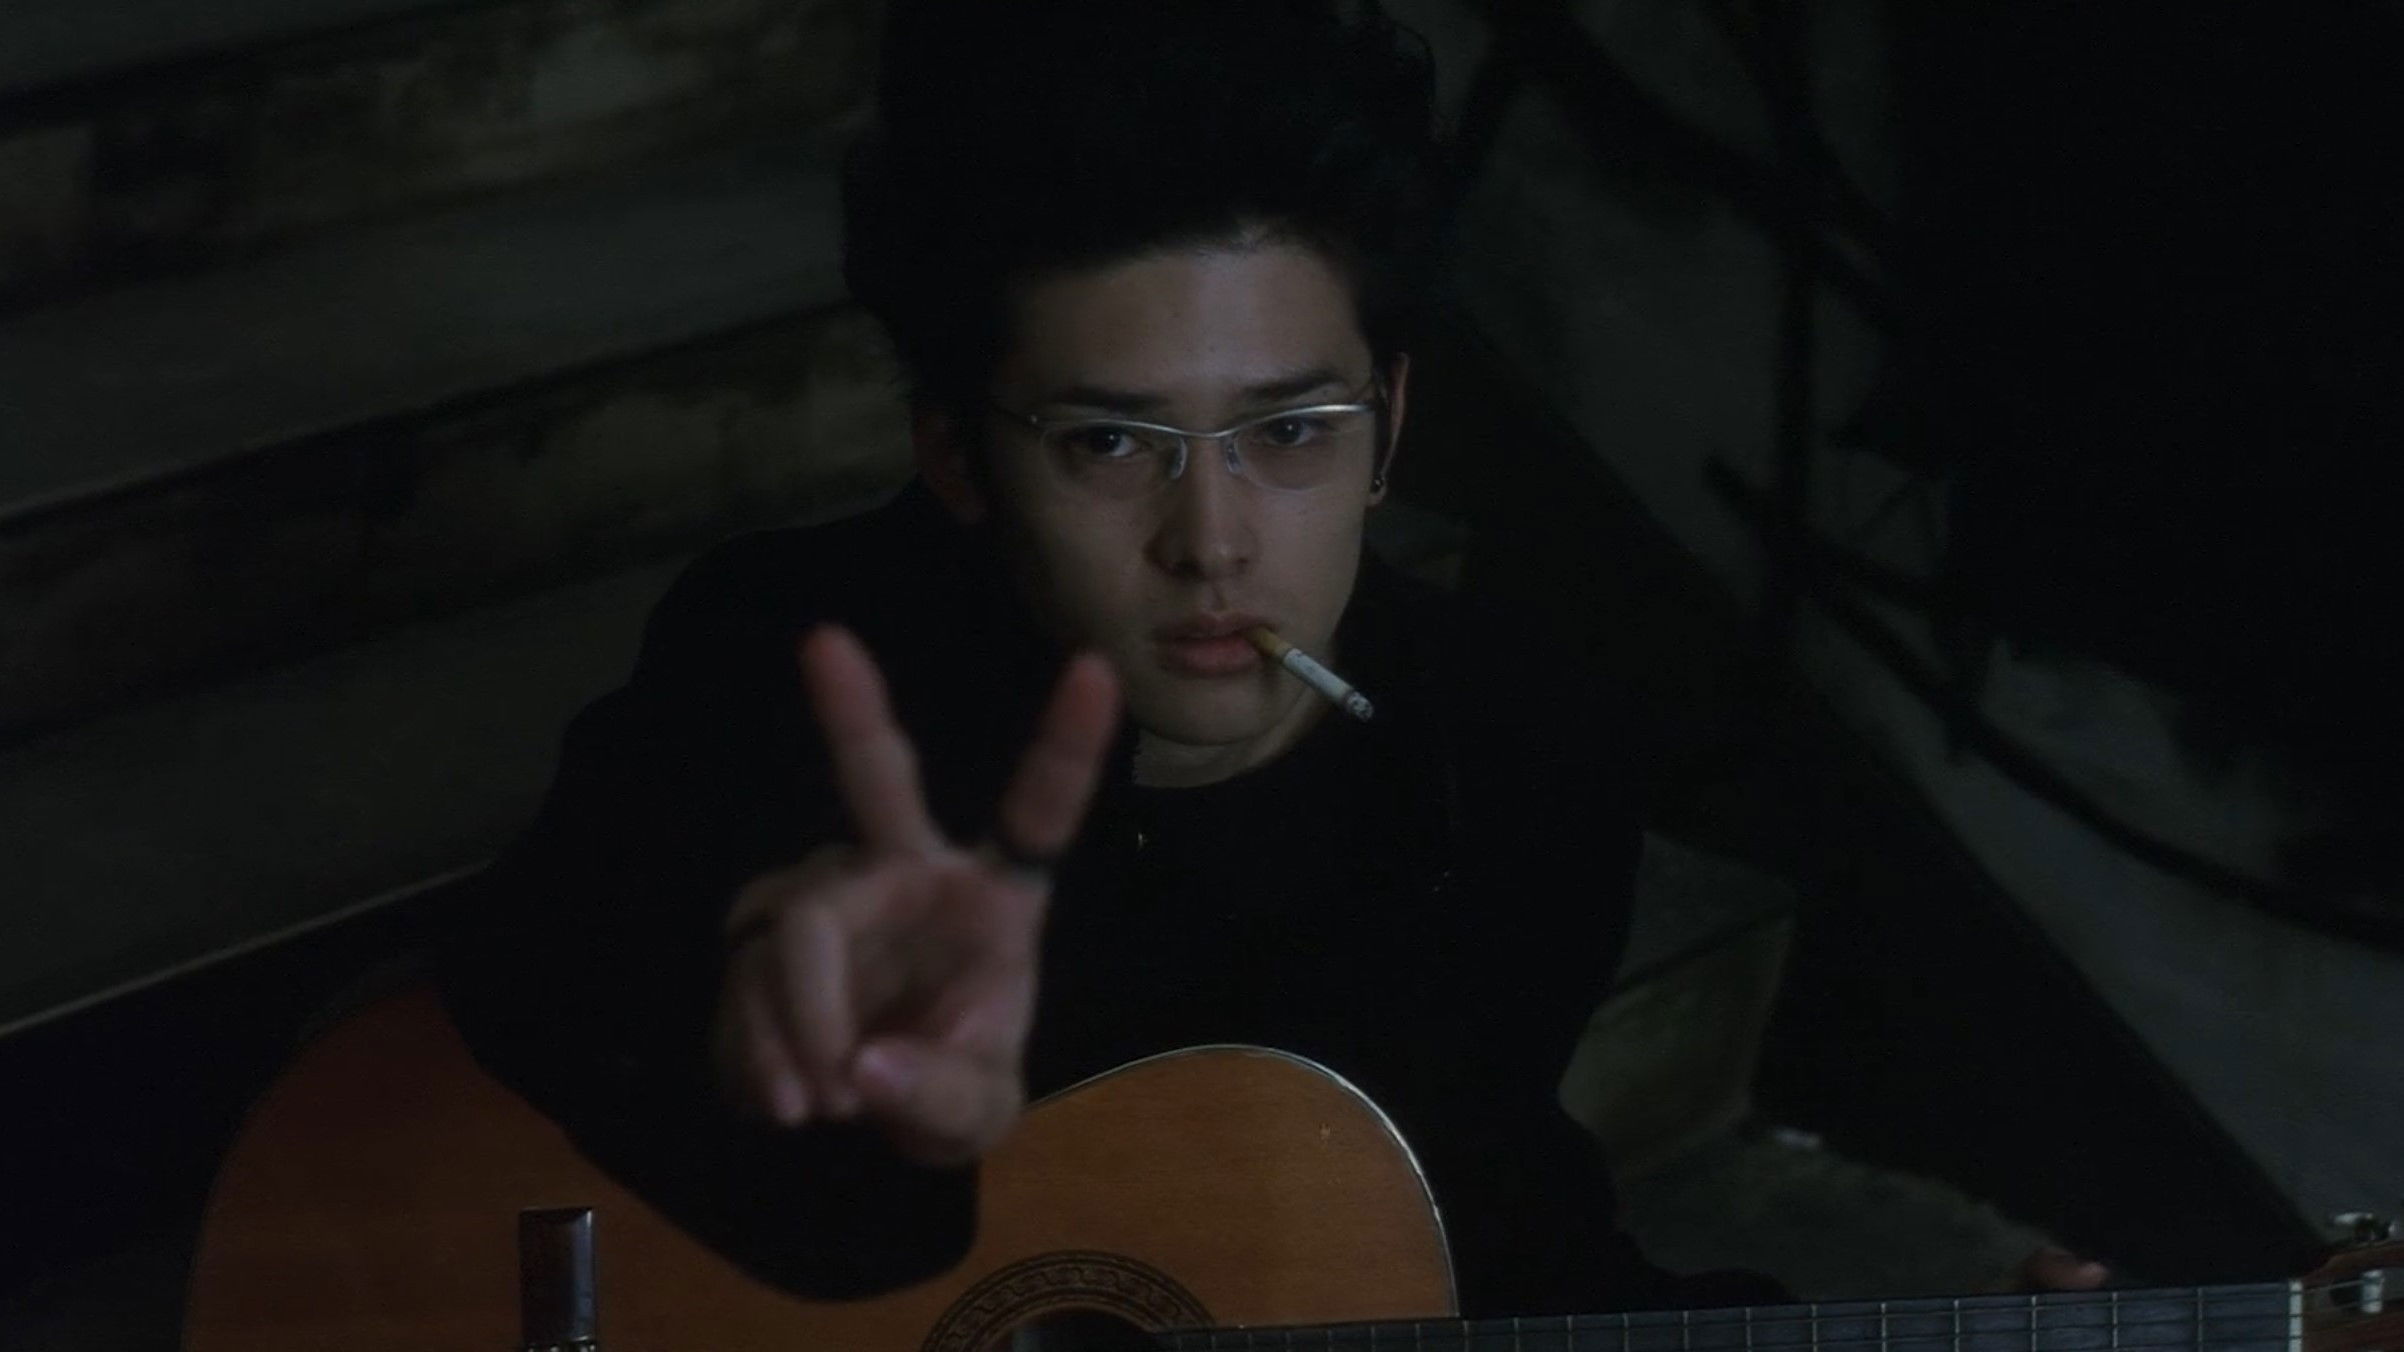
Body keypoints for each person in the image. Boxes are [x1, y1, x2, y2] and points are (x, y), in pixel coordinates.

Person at [441, 0, 2100, 1318]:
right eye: (1110, 443)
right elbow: (518, 996)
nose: (1214, 543)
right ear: (959, 455)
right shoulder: (797, 660)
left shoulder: (1516, 760)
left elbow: (1495, 1256)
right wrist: (750, 1010)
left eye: (1291, 431)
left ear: (1390, 424)